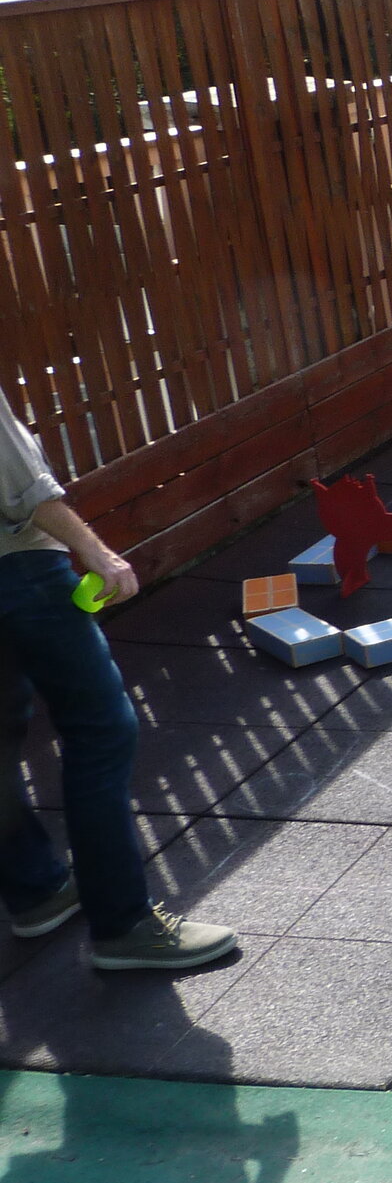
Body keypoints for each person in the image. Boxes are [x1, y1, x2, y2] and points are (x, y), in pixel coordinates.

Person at [0, 403, 235, 969]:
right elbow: (20, 486)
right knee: (100, 730)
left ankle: (36, 891)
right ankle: (124, 924)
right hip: (19, 572)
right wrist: (97, 552)